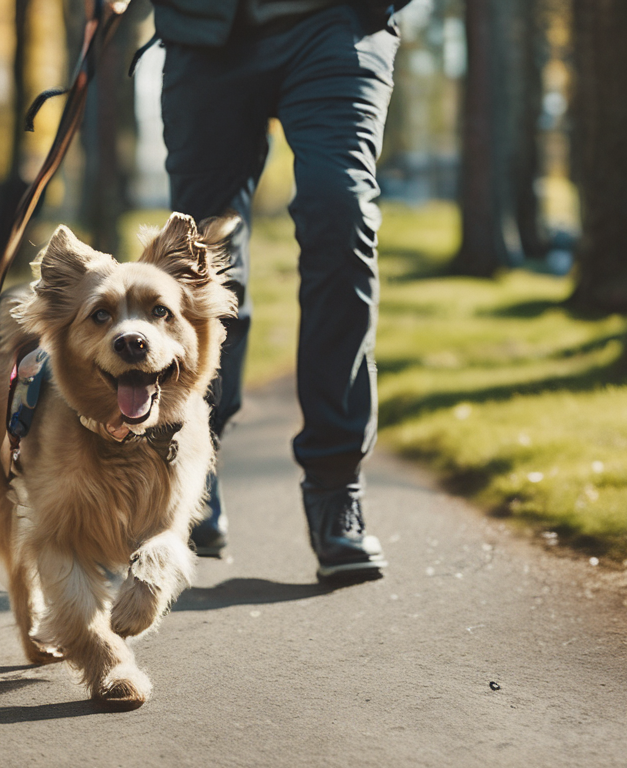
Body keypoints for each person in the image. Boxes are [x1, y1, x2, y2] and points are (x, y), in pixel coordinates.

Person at [150, 0, 410, 582]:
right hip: (204, 31)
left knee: (340, 217)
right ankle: (191, 464)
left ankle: (335, 482)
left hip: (336, 22)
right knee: (199, 257)